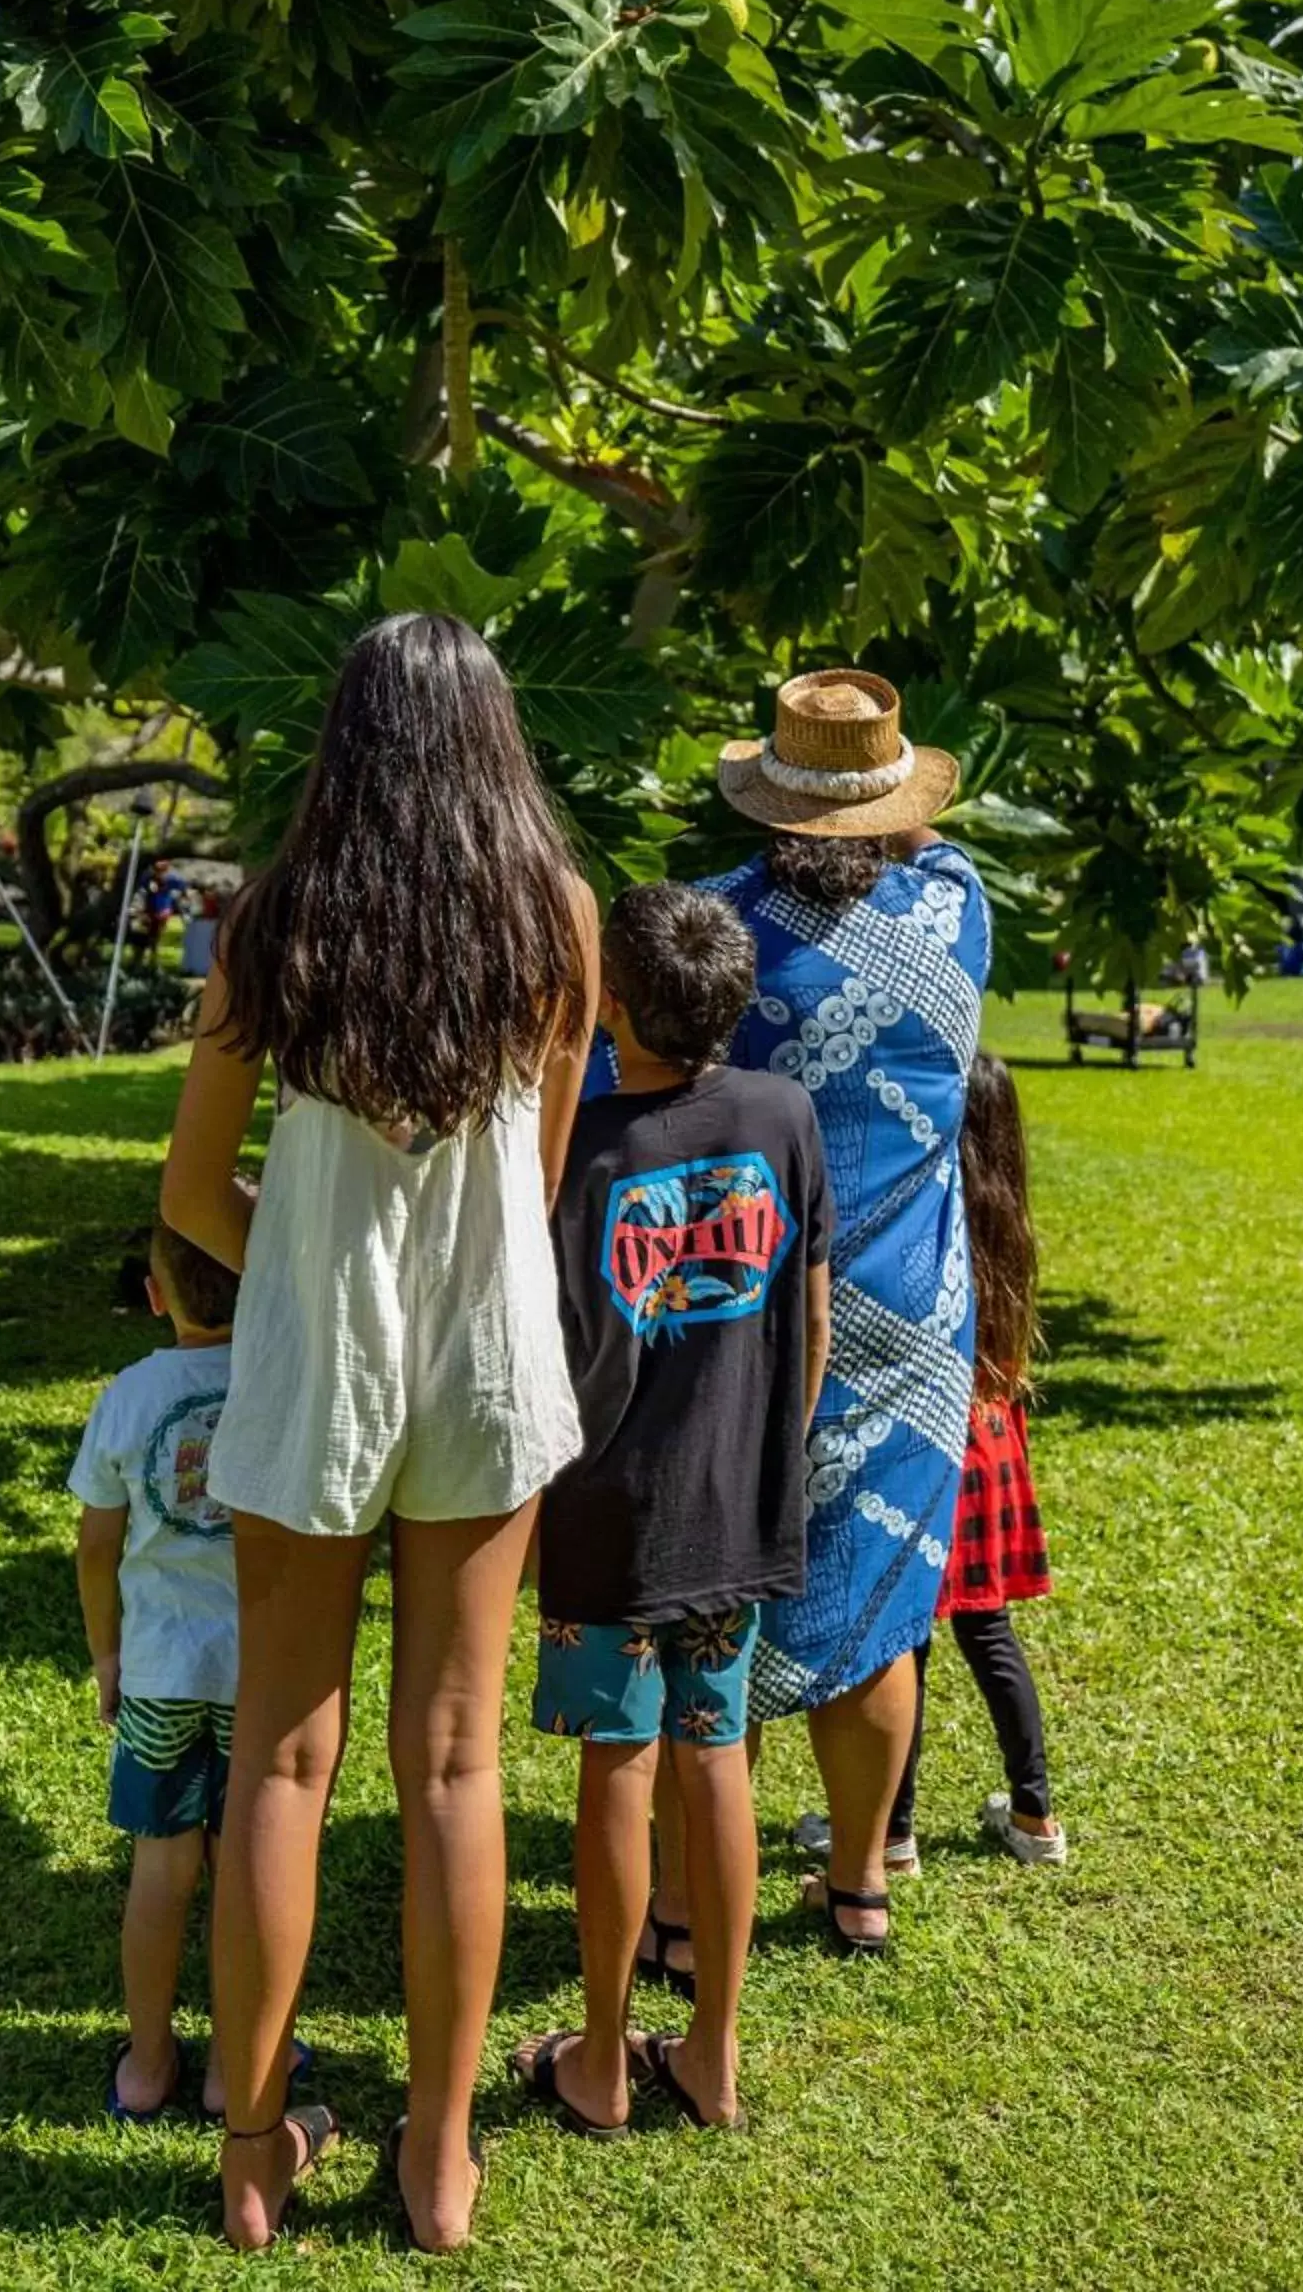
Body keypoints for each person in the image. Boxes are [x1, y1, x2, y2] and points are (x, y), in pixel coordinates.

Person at [159, 612, 597, 2255]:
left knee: (282, 1752)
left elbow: (194, 1194)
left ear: (344, 740)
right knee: (459, 1761)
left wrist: (296, 1226)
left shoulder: (275, 924)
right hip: (487, 1361)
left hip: (310, 1360)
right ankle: (439, 2159)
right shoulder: (555, 918)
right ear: (495, 741)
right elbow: (537, 1182)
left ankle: (257, 2157)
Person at [645, 668, 987, 1969]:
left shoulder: (723, 934)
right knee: (878, 1596)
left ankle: (679, 1911)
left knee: (709, 1608)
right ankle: (858, 1890)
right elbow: (931, 844)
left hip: (742, 1313)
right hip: (912, 1318)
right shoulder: (961, 914)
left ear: (768, 802)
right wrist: (887, 803)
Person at [512, 884, 832, 2139]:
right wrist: (765, 1452)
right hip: (741, 1506)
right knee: (716, 1759)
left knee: (617, 1767)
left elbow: (554, 1358)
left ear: (612, 1008)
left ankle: (598, 2063)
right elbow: (805, 1314)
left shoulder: (582, 1151)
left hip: (611, 1515)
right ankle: (712, 2054)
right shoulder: (786, 1115)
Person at [799, 1051, 1065, 1875]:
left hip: (928, 1436)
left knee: (900, 1634)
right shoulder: (1007, 1214)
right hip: (991, 1439)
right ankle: (1035, 1813)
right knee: (989, 1634)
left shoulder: (929, 1208)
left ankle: (892, 1832)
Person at [70, 1218, 273, 2123]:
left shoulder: (130, 1393)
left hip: (158, 1673)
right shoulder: (280, 1384)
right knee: (246, 1866)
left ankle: (147, 2065)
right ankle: (238, 2067)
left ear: (156, 1296)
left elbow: (95, 1544)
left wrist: (107, 1652)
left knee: (162, 1869)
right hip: (261, 1679)